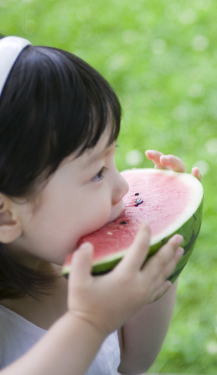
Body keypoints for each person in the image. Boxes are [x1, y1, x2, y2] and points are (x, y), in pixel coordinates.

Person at [0, 36, 201, 374]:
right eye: (96, 173)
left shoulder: (73, 264)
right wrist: (89, 323)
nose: (122, 187)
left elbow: (132, 361)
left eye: (114, 157)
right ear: (6, 215)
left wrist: (161, 251)